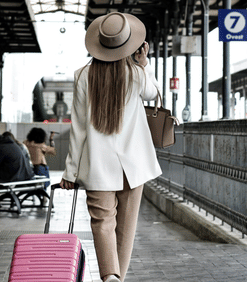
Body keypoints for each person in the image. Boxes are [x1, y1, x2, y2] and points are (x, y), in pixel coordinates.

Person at [59, 12, 162, 282]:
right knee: (126, 229)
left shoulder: (82, 75)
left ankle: (110, 277)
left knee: (102, 223)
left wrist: (70, 172)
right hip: (134, 166)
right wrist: (144, 63)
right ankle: (117, 278)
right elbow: (154, 94)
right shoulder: (136, 75)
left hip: (97, 167)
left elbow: (78, 128)